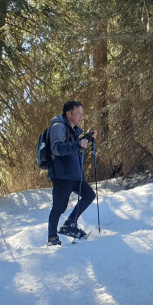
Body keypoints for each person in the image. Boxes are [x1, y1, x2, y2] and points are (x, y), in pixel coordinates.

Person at [46, 101, 98, 245]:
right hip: (62, 174)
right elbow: (57, 148)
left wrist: (87, 137)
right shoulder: (58, 127)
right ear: (69, 114)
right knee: (59, 206)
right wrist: (77, 144)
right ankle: (52, 238)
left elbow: (74, 147)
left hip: (73, 173)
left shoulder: (71, 128)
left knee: (89, 195)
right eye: (78, 113)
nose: (81, 116)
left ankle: (70, 224)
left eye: (82, 113)